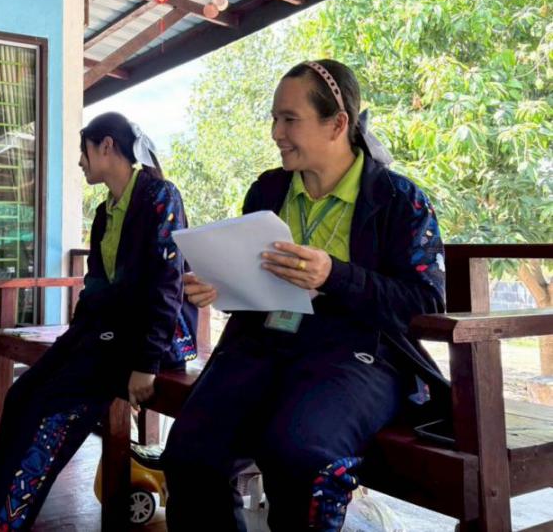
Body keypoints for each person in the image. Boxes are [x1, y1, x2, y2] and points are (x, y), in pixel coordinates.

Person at [162, 60, 447, 532]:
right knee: (189, 454)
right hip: (263, 346)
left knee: (300, 456)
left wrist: (335, 275)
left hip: (358, 356)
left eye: (289, 119)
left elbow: (424, 304)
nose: (276, 132)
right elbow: (252, 284)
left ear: (337, 124)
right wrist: (219, 284)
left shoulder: (399, 201)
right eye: (275, 118)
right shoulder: (268, 190)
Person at [0, 112, 199, 530]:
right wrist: (69, 343)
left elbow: (167, 282)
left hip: (150, 344)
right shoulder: (103, 212)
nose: (80, 161)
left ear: (107, 146)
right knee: (21, 396)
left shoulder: (160, 196)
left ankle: (4, 525)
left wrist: (147, 363)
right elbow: (95, 286)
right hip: (106, 336)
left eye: (84, 151)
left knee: (47, 411)